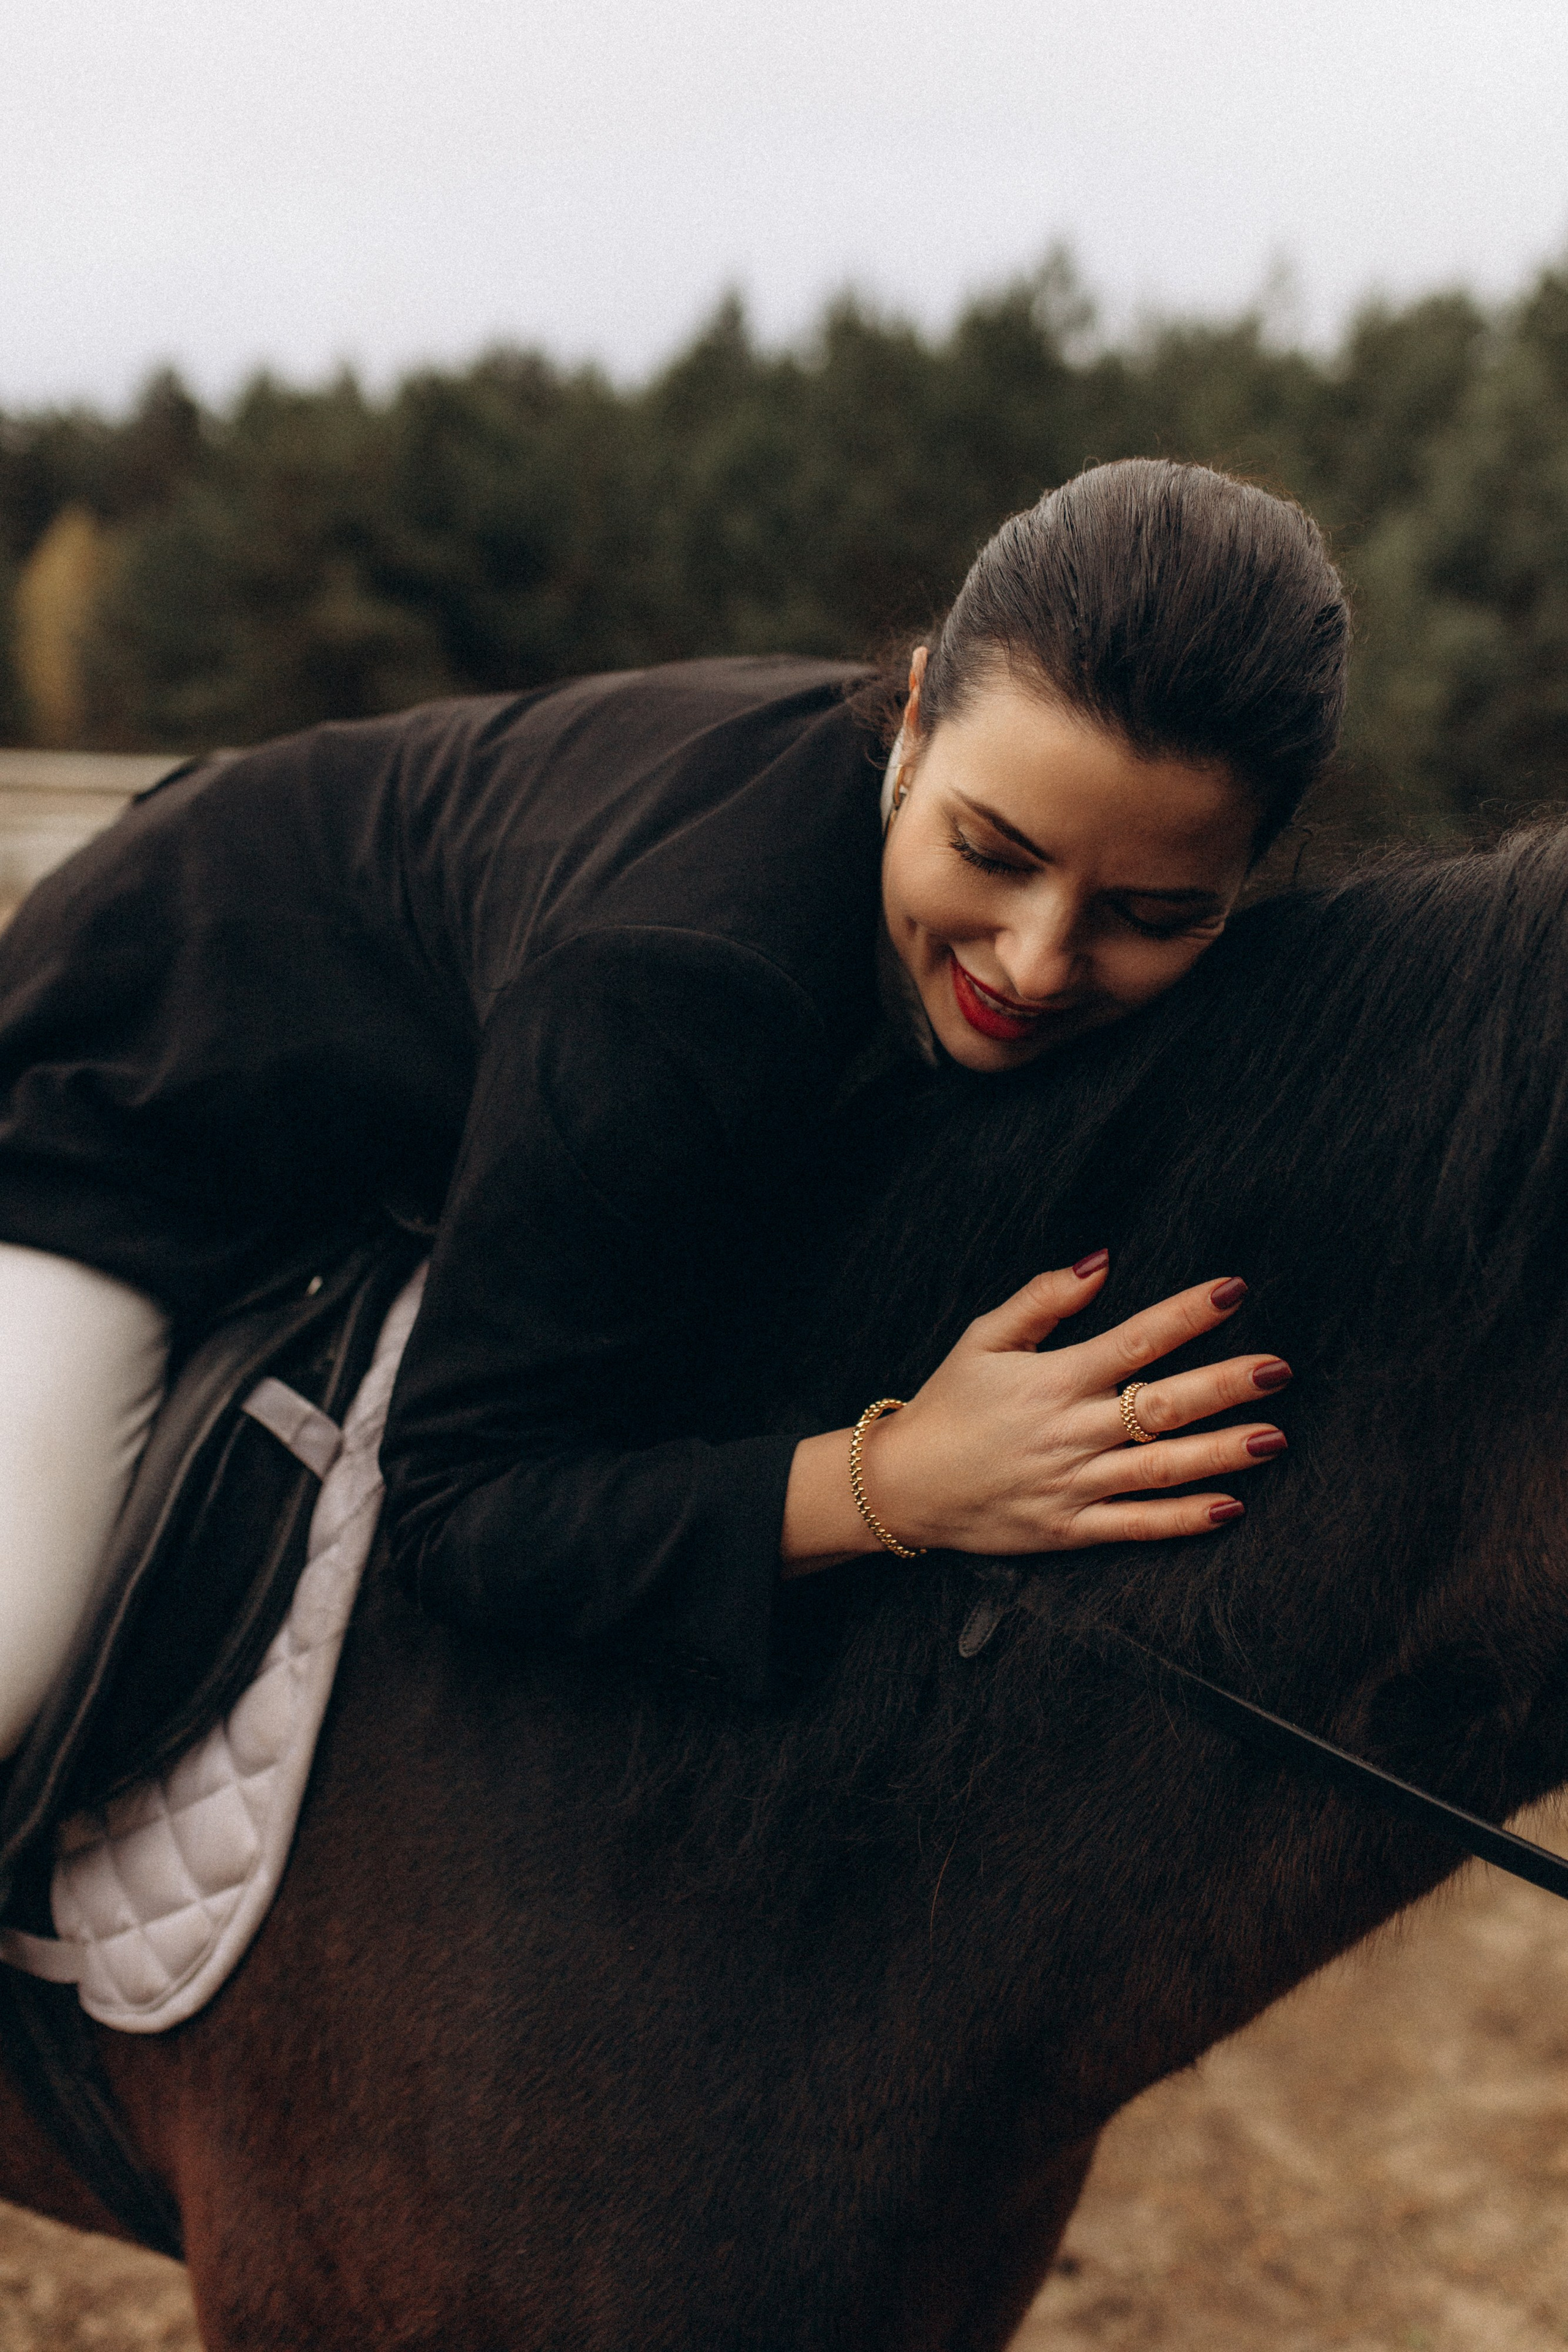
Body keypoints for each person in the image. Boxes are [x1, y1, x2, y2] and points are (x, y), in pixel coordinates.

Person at [0, 457, 1349, 1744]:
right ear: (915, 712)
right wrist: (893, 1486)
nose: (1037, 961)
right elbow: (458, 1509)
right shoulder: (677, 981)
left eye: (1153, 913)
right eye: (988, 853)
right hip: (145, 1068)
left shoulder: (979, 875)